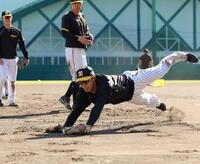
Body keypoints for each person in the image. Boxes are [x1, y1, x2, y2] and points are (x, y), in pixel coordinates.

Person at [46, 51, 198, 135]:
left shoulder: (103, 84)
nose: (83, 85)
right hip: (129, 96)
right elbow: (77, 109)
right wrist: (66, 126)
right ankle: (160, 104)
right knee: (149, 101)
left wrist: (89, 126)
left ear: (92, 78)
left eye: (85, 81)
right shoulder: (83, 91)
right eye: (80, 82)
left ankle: (181, 55)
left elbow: (97, 107)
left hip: (134, 80)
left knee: (161, 70)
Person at [59, 0, 94, 110]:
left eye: (79, 3)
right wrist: (78, 38)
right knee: (77, 76)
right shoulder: (67, 16)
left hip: (81, 49)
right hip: (72, 48)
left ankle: (66, 97)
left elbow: (86, 32)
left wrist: (90, 38)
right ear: (71, 4)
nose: (77, 5)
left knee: (83, 76)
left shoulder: (82, 16)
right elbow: (64, 33)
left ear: (82, 4)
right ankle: (76, 104)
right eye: (75, 3)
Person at [0, 10, 29, 107]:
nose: (8, 19)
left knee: (12, 81)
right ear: (2, 19)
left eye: (9, 17)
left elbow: (22, 45)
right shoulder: (1, 31)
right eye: (6, 17)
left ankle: (11, 101)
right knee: (2, 78)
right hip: (2, 59)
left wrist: (26, 57)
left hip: (13, 59)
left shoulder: (17, 31)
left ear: (11, 18)